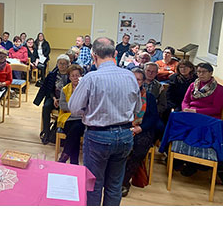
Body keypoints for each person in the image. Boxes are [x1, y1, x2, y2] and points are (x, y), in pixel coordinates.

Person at [68, 37, 142, 206]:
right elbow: (137, 108)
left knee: (93, 184)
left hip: (98, 136)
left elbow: (74, 108)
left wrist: (89, 110)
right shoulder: (130, 76)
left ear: (94, 56)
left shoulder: (90, 78)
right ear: (115, 53)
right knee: (115, 185)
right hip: (125, 135)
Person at [179, 62, 223, 177]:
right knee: (175, 119)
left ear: (211, 73)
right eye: (198, 72)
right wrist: (186, 109)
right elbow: (185, 100)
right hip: (191, 113)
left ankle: (193, 163)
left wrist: (196, 111)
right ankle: (175, 157)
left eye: (203, 72)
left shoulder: (218, 89)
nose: (201, 74)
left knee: (195, 129)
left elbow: (216, 109)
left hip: (208, 118)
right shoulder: (194, 85)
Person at [121, 68, 159, 197]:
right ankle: (113, 178)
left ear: (143, 82)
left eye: (138, 79)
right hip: (124, 127)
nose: (134, 81)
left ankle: (124, 182)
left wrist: (140, 128)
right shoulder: (120, 94)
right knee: (117, 146)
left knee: (139, 149)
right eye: (132, 78)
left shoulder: (149, 97)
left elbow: (153, 118)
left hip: (143, 129)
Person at [33, 54, 70, 145]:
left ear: (68, 64)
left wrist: (61, 100)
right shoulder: (52, 74)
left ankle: (57, 131)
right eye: (60, 63)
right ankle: (46, 131)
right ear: (57, 64)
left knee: (64, 110)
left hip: (67, 100)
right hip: (53, 97)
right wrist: (54, 98)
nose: (62, 65)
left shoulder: (71, 75)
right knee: (46, 107)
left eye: (64, 64)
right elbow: (48, 89)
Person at [57, 64, 85, 165]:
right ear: (69, 77)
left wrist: (74, 108)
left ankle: (65, 155)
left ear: (81, 76)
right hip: (68, 118)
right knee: (75, 133)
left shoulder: (85, 89)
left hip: (82, 119)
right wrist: (76, 108)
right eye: (72, 75)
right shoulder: (65, 89)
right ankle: (74, 163)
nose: (75, 78)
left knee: (77, 127)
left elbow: (87, 105)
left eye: (77, 75)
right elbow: (63, 105)